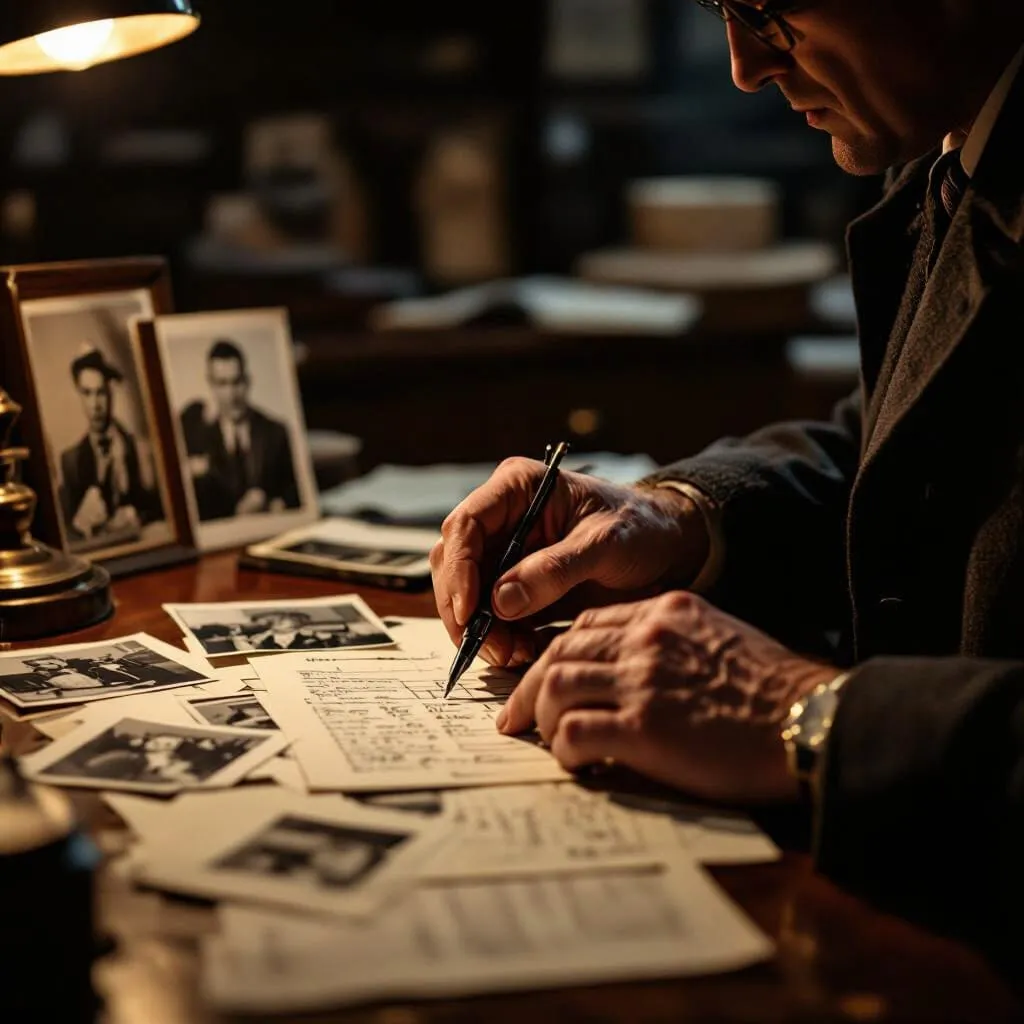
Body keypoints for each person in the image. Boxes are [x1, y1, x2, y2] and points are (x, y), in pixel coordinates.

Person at [432, 0, 1024, 965]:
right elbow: (897, 444)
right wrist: (679, 516)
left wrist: (813, 716)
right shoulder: (961, 146)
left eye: (767, 9)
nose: (745, 66)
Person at [180, 339, 299, 522]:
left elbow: (297, 491)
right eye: (222, 383)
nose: (231, 394)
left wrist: (274, 503)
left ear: (248, 380)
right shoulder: (198, 439)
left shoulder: (277, 432)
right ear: (211, 384)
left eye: (237, 382)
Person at [60, 347, 159, 545]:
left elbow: (162, 511)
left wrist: (138, 517)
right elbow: (65, 534)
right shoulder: (70, 460)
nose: (95, 404)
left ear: (111, 393)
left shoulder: (140, 449)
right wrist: (80, 525)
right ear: (78, 396)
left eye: (101, 393)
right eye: (87, 393)